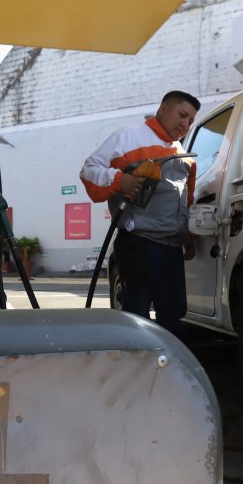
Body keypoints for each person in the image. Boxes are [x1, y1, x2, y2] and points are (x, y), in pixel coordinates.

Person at [80, 90, 200, 339]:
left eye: (190, 121)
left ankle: (167, 372)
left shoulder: (181, 152)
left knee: (172, 315)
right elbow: (89, 169)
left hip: (171, 248)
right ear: (163, 109)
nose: (185, 124)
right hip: (140, 244)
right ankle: (136, 370)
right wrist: (119, 179)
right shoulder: (128, 137)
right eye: (182, 115)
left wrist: (186, 234)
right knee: (137, 317)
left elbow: (184, 199)